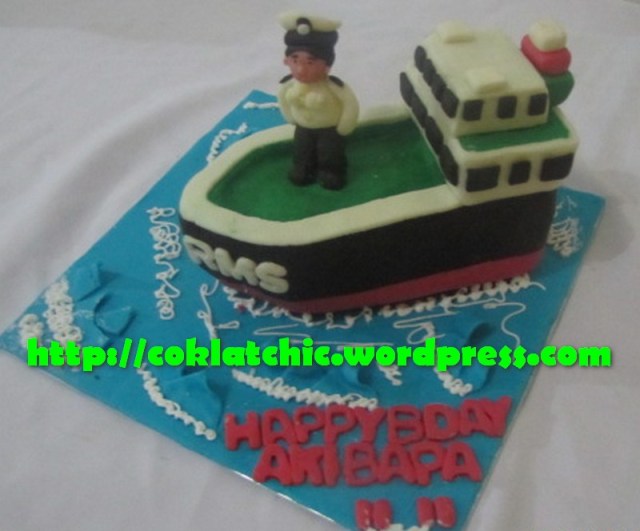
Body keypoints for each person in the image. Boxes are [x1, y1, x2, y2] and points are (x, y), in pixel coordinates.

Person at [278, 12, 359, 190]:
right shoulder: (288, 84)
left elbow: (349, 103)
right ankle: (303, 170)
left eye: (310, 62)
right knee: (302, 150)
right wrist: (290, 116)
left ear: (327, 65)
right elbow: (282, 98)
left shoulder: (334, 86)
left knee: (330, 153)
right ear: (286, 61)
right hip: (303, 128)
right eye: (295, 60)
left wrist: (345, 126)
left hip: (329, 130)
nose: (301, 69)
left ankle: (331, 173)